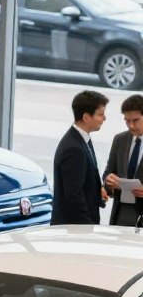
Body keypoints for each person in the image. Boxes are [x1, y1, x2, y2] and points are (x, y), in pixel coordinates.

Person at [51, 89, 108, 226]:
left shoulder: (82, 139)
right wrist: (87, 228)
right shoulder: (74, 148)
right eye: (100, 115)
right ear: (86, 117)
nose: (104, 118)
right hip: (74, 228)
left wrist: (97, 189)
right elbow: (74, 195)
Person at [103, 93, 143, 227]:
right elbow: (108, 174)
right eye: (127, 120)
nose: (131, 125)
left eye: (135, 120)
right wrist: (109, 181)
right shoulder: (119, 140)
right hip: (121, 215)